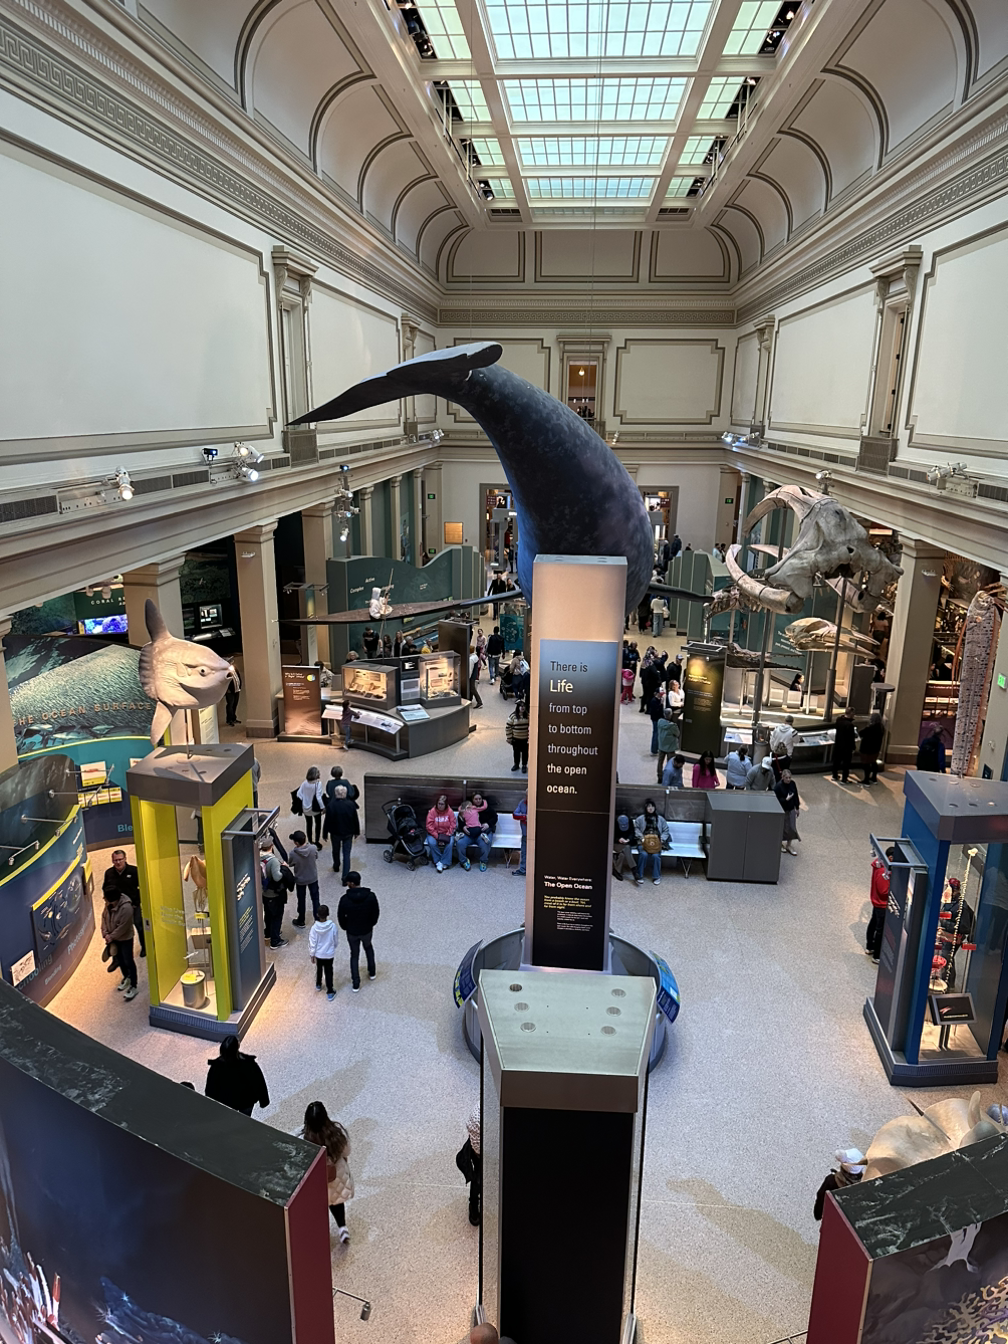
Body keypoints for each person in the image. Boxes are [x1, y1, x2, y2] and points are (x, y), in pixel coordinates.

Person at [302, 1101, 353, 1243]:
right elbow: (347, 1151)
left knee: (318, 1207)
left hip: (316, 1180)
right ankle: (342, 1228)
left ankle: (320, 1233)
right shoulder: (337, 1133)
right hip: (336, 1177)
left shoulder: (305, 1139)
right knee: (336, 1203)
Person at [204, 1035, 270, 1116]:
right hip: (246, 1101)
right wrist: (264, 1100)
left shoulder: (216, 1066)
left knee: (230, 1118)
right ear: (237, 1046)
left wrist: (211, 1102)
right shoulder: (248, 1063)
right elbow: (258, 1082)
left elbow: (211, 1086)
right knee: (245, 1118)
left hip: (226, 1102)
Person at [337, 872, 380, 993]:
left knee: (354, 955)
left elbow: (341, 917)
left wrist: (346, 927)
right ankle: (372, 972)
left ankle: (356, 983)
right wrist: (371, 924)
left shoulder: (345, 900)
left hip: (352, 932)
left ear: (351, 883)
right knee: (368, 948)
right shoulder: (371, 896)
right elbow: (376, 913)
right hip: (367, 930)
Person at [102, 848, 144, 958]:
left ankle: (144, 947)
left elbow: (142, 888)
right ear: (112, 861)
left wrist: (136, 903)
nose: (118, 862)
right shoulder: (109, 873)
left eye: (120, 859)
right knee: (116, 929)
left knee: (139, 926)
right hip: (116, 908)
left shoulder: (134, 871)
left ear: (125, 859)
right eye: (115, 860)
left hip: (133, 906)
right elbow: (105, 888)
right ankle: (116, 956)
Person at [101, 884, 138, 1000]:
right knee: (119, 959)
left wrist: (111, 937)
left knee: (128, 960)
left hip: (125, 938)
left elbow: (123, 927)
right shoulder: (108, 905)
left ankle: (134, 985)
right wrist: (105, 933)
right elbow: (104, 917)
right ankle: (126, 977)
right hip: (113, 938)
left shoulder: (126, 908)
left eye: (106, 897)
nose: (104, 899)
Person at [814, 1150, 865, 1221]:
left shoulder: (831, 1181)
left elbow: (821, 1196)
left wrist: (818, 1215)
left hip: (832, 1218)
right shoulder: (864, 1184)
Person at [324, 784, 359, 882]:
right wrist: (356, 831)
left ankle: (336, 865)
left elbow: (327, 821)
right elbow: (355, 819)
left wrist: (325, 833)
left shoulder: (331, 805)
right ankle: (345, 877)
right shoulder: (351, 805)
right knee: (346, 854)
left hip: (335, 832)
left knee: (335, 850)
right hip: (348, 833)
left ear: (335, 794)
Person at [456, 1102, 482, 1227]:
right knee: (478, 1180)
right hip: (480, 1151)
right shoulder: (478, 1117)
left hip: (482, 1146)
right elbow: (477, 1147)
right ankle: (473, 1206)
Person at [260, 836, 288, 949]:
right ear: (271, 846)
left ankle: (268, 933)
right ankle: (275, 941)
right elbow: (277, 877)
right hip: (274, 894)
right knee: (277, 916)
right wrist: (283, 868)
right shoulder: (273, 861)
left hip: (265, 892)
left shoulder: (258, 857)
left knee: (268, 914)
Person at [456, 793, 496, 872]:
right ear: (472, 800)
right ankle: (464, 861)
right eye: (476, 799)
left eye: (479, 799)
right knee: (460, 843)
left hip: (482, 832)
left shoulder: (487, 808)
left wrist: (488, 824)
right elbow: (460, 817)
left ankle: (483, 861)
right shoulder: (467, 808)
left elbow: (495, 817)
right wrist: (463, 826)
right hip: (469, 833)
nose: (478, 801)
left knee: (486, 843)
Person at [634, 799, 670, 885]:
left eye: (652, 806)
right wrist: (642, 838)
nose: (650, 808)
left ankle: (656, 876)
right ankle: (639, 875)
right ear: (646, 808)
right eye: (648, 807)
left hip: (656, 842)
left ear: (655, 808)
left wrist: (661, 839)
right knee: (643, 854)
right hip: (643, 841)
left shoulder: (660, 819)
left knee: (656, 856)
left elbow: (666, 830)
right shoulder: (640, 819)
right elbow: (636, 829)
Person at [866, 849, 892, 963]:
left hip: (877, 901)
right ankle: (877, 955)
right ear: (890, 858)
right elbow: (883, 891)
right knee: (880, 930)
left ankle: (870, 946)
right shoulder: (884, 873)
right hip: (882, 904)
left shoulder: (879, 865)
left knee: (874, 923)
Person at [308, 903, 338, 999]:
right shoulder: (333, 926)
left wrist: (312, 954)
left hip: (319, 954)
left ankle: (318, 984)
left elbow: (312, 942)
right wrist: (333, 947)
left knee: (319, 968)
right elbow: (335, 939)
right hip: (329, 954)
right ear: (328, 914)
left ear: (317, 914)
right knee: (329, 971)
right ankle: (330, 991)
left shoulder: (314, 928)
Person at [425, 794, 457, 871]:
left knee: (450, 843)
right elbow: (429, 826)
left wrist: (447, 835)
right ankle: (439, 861)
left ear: (445, 805)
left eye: (442, 804)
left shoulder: (450, 811)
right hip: (434, 833)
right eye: (439, 804)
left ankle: (444, 862)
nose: (440, 806)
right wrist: (437, 836)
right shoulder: (432, 811)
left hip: (446, 833)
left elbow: (453, 825)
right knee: (432, 842)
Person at [296, 766, 326, 847]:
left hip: (305, 808)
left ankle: (310, 840)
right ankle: (317, 841)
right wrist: (323, 807)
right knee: (318, 824)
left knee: (309, 824)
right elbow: (318, 797)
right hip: (315, 808)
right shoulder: (318, 784)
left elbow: (299, 794)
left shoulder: (304, 783)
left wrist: (305, 798)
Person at [775, 768, 801, 855]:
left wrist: (797, 807)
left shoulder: (792, 784)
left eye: (790, 777)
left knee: (792, 827)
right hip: (783, 809)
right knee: (782, 828)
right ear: (783, 777)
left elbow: (795, 795)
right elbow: (776, 799)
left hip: (791, 808)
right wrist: (785, 800)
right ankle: (780, 843)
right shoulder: (778, 786)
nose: (788, 779)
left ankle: (789, 845)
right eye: (787, 778)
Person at [858, 711, 884, 785]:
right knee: (873, 762)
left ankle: (866, 780)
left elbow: (860, 733)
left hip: (867, 749)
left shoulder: (870, 728)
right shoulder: (881, 728)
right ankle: (874, 778)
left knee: (866, 764)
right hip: (876, 748)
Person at [656, 709, 681, 783]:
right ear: (670, 715)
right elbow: (677, 734)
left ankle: (660, 776)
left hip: (661, 745)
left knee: (660, 762)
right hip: (670, 747)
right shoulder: (673, 726)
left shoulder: (660, 722)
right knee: (670, 763)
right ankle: (668, 777)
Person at [833, 705, 857, 783]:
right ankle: (844, 779)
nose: (854, 715)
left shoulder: (839, 720)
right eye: (853, 713)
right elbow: (851, 738)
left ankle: (835, 775)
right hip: (846, 747)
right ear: (851, 713)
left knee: (836, 761)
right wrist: (853, 747)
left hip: (838, 744)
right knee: (846, 763)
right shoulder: (850, 725)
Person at [506, 700, 530, 772]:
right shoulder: (513, 716)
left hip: (525, 739)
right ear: (518, 707)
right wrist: (509, 738)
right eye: (521, 706)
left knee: (525, 753)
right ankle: (516, 764)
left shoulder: (528, 716)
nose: (522, 708)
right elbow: (508, 727)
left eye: (524, 706)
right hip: (516, 739)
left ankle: (524, 765)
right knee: (516, 753)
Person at [613, 813, 635, 880]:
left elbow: (632, 833)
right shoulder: (613, 823)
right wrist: (618, 839)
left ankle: (616, 871)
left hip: (626, 843)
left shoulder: (630, 822)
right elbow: (611, 835)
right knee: (626, 848)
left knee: (622, 855)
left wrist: (628, 839)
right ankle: (634, 869)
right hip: (616, 844)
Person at [512, 795, 527, 877]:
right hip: (525, 833)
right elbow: (515, 815)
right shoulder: (522, 803)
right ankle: (523, 869)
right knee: (524, 852)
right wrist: (524, 817)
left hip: (537, 834)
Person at [647, 689, 666, 754]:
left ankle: (657, 747)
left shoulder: (660, 699)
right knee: (656, 733)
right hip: (656, 719)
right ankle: (654, 749)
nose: (661, 695)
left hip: (659, 718)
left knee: (658, 733)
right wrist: (661, 704)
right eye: (660, 694)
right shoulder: (654, 701)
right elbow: (656, 711)